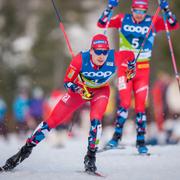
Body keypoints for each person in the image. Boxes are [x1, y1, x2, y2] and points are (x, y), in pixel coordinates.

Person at [0, 34, 135, 173]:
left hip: (101, 91)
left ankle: (90, 157)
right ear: (91, 50)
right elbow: (67, 82)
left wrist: (132, 67)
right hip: (79, 90)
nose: (101, 55)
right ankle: (24, 151)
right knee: (51, 121)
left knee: (96, 121)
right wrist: (77, 88)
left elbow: (131, 55)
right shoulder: (80, 60)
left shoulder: (115, 57)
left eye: (104, 52)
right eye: (98, 51)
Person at [97, 0, 179, 154]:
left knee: (141, 106)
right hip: (125, 68)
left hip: (143, 69)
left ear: (146, 11)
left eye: (143, 11)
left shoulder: (152, 21)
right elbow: (102, 23)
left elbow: (173, 25)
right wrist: (109, 8)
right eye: (136, 11)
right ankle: (116, 137)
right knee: (125, 103)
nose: (139, 15)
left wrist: (166, 9)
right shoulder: (123, 19)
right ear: (132, 9)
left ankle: (141, 141)